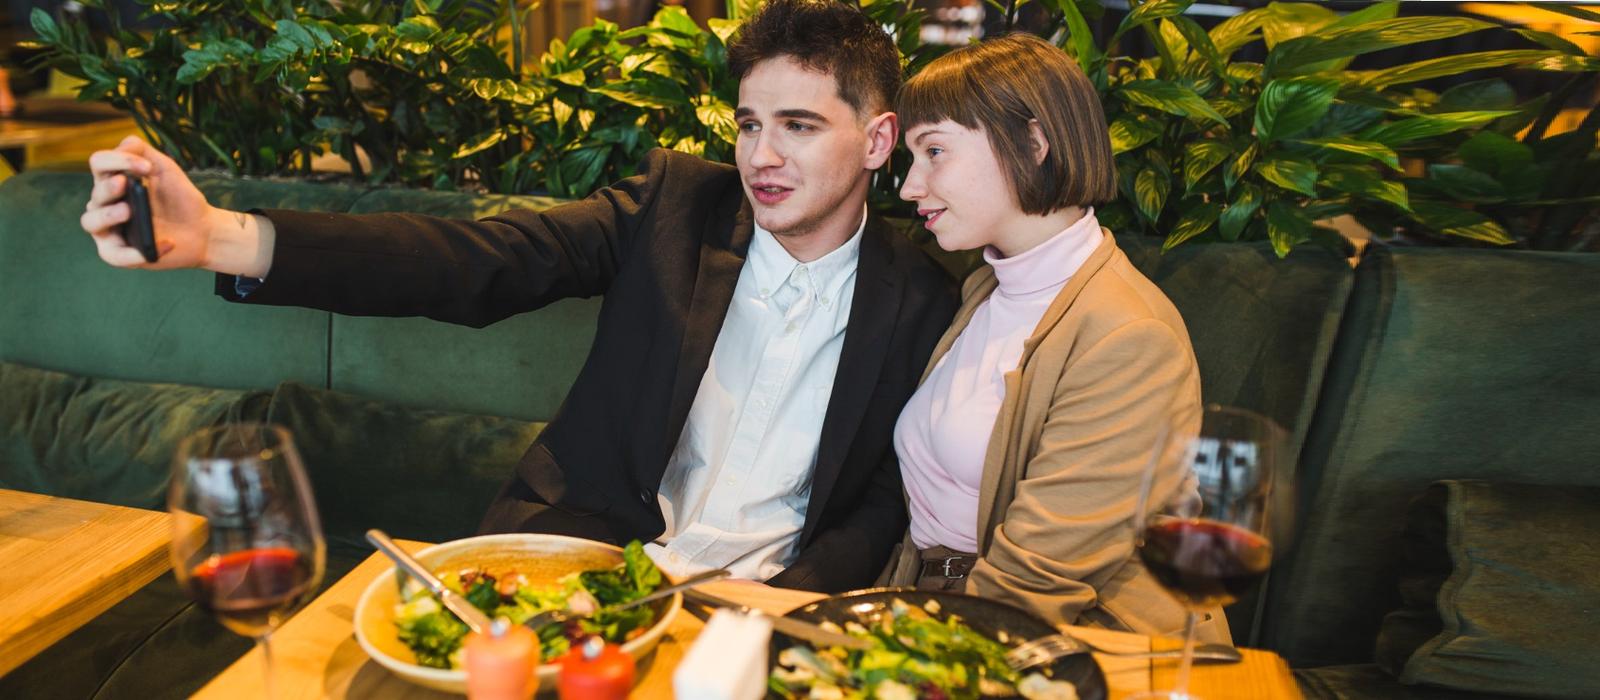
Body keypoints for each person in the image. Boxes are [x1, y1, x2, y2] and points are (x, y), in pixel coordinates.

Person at [78, 0, 957, 593]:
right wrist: (221, 237)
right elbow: (475, 258)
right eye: (750, 123)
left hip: (766, 607)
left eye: (799, 126)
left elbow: (882, 497)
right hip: (585, 567)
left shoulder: (922, 294)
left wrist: (790, 605)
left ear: (878, 139)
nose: (761, 156)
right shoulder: (673, 210)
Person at [879, 33, 1229, 643]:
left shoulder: (1130, 337)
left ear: (1032, 144)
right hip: (944, 606)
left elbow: (1036, 581)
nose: (910, 186)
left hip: (1084, 642)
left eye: (934, 151)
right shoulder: (988, 286)